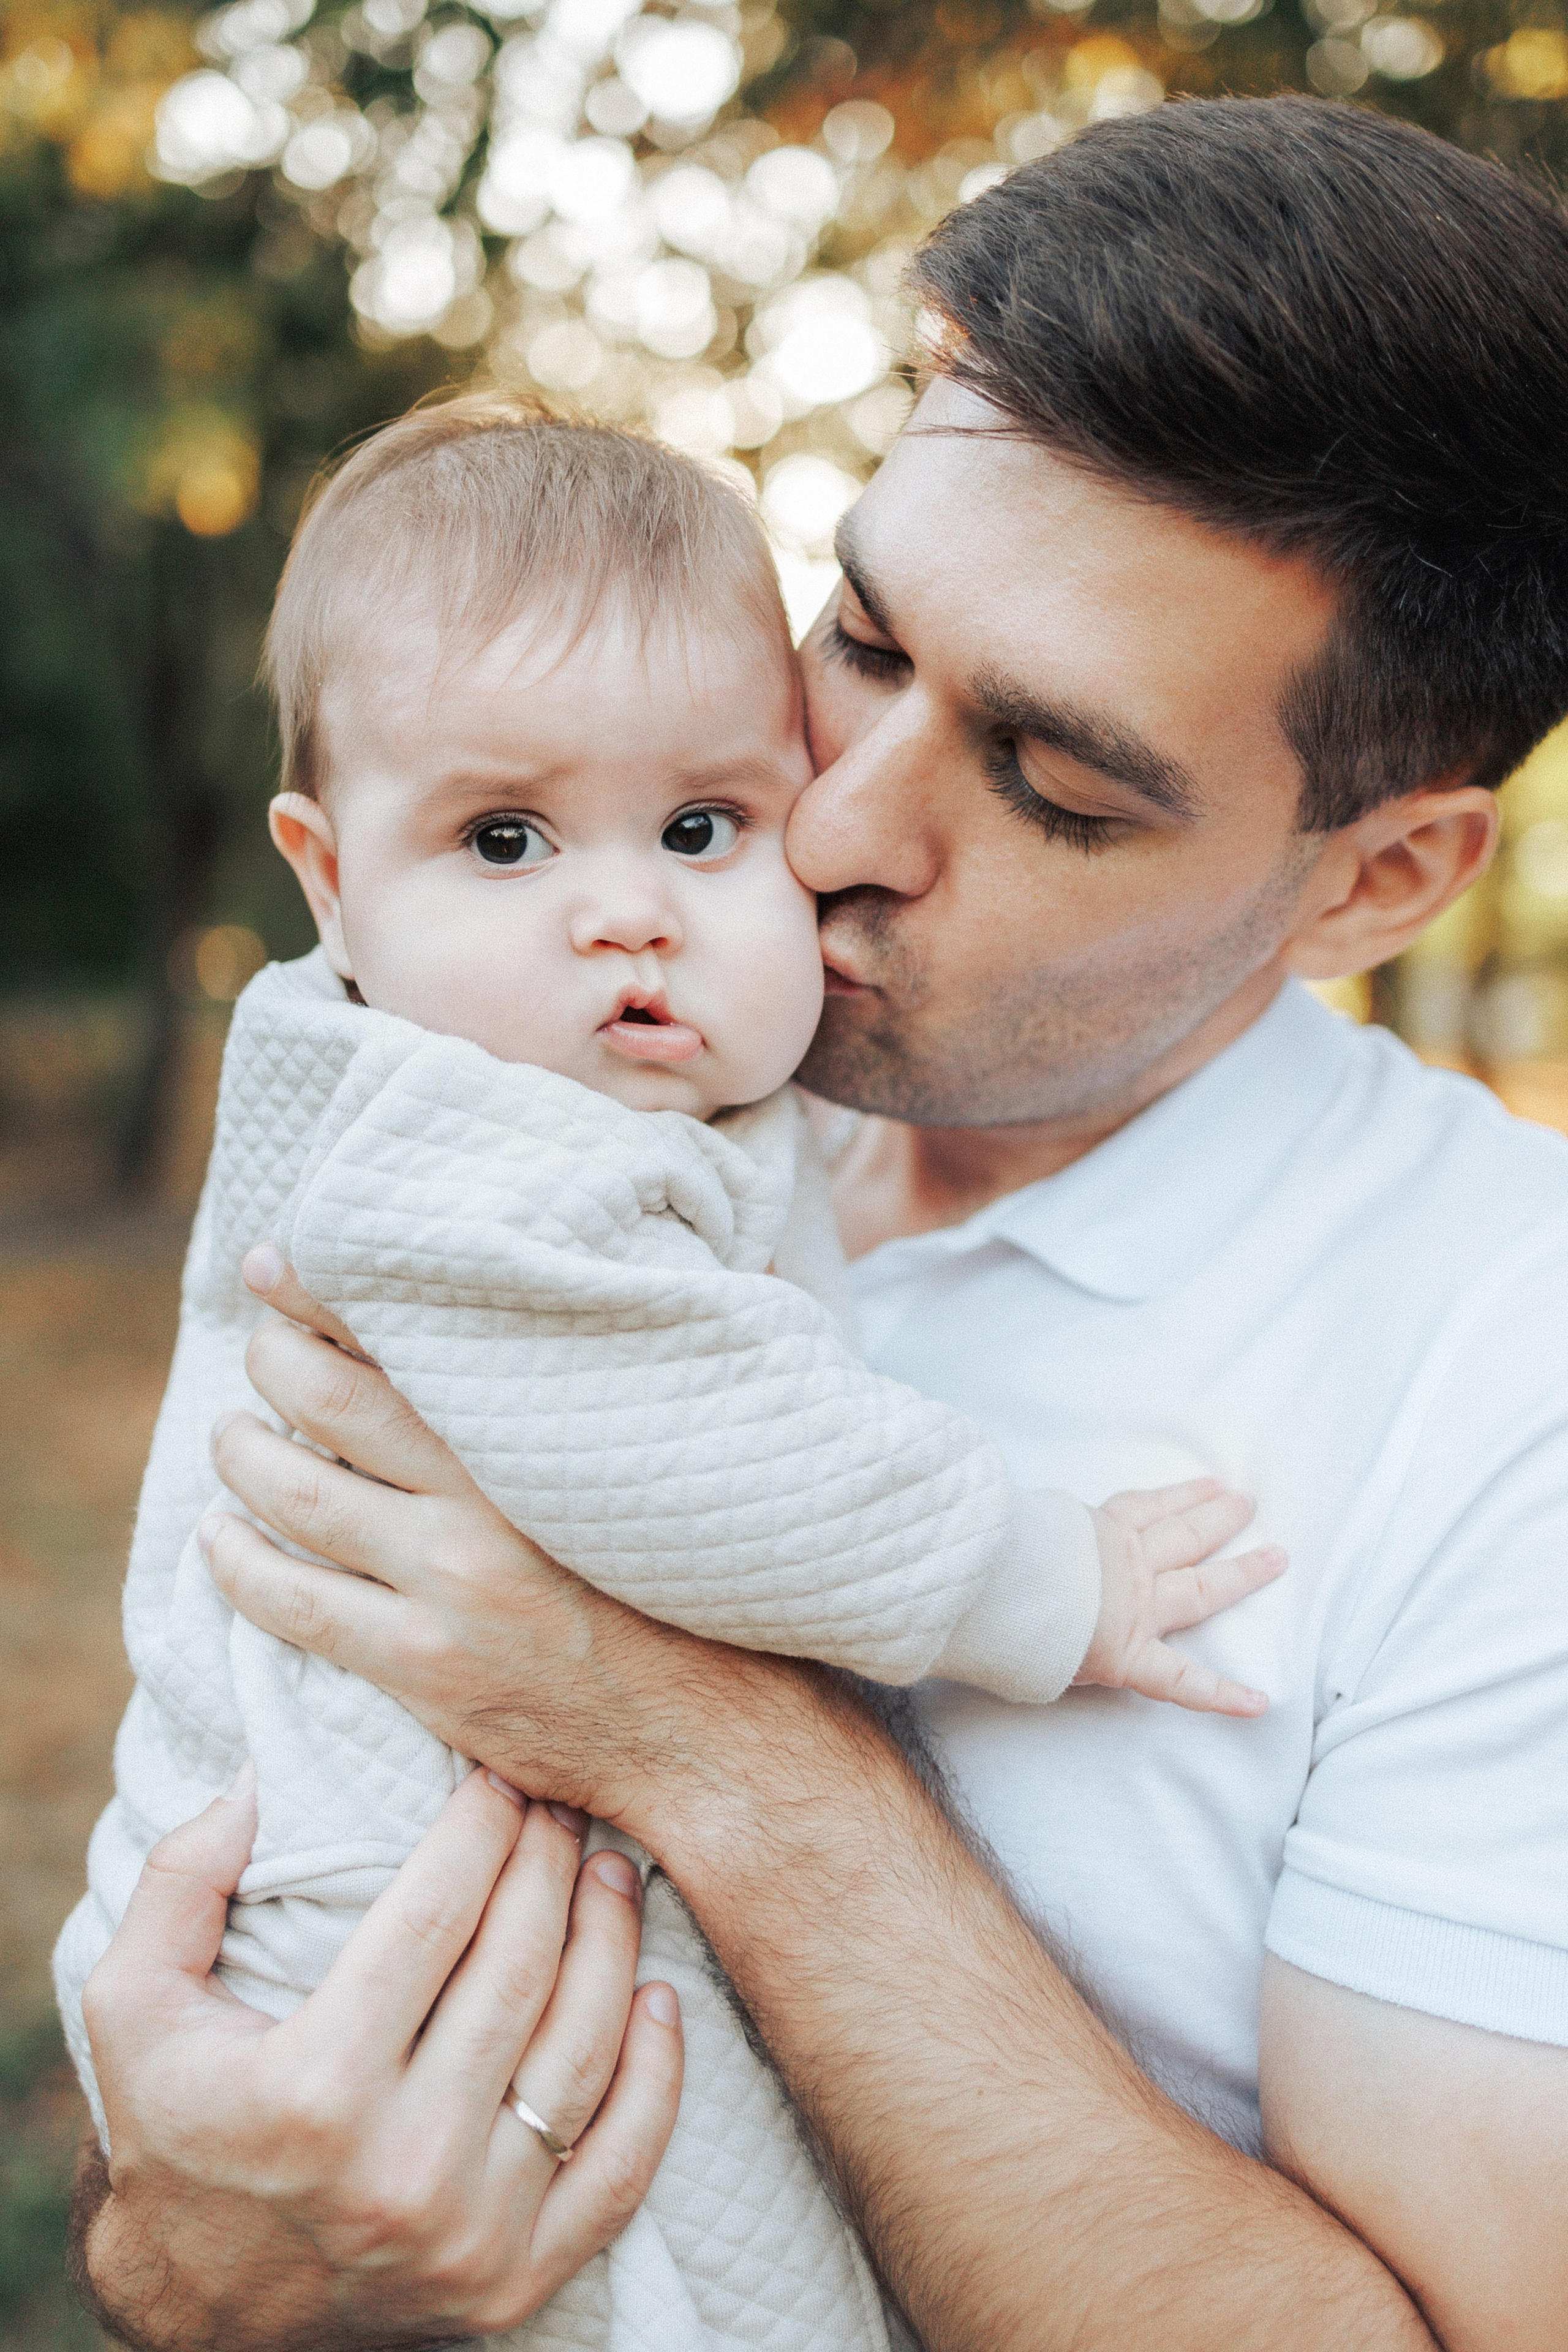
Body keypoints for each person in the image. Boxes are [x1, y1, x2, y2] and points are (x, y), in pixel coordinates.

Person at [72, 94, 1568, 2352]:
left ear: (1380, 882)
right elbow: (211, 2094)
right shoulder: (576, 1115)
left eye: (1050, 783)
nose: (830, 827)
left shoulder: (1509, 1385)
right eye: (858, 642)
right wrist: (200, 2255)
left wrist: (708, 1747)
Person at [56, 399, 1273, 2351]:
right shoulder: (475, 1160)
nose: (625, 906)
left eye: (703, 828)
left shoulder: (609, 1104)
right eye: (504, 839)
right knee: (711, 2262)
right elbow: (699, 1447)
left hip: (456, 1873)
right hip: (372, 1899)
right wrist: (1048, 1580)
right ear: (328, 879)